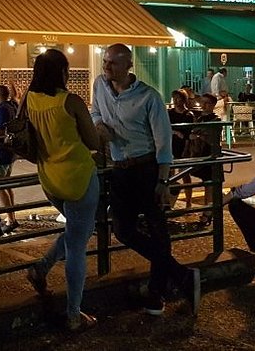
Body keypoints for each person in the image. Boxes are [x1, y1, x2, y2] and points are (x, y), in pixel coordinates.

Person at [91, 44, 200, 316]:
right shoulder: (100, 86)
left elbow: (164, 142)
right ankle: (181, 275)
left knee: (157, 230)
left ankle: (156, 293)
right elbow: (95, 112)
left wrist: (163, 181)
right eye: (105, 62)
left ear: (128, 66)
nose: (106, 68)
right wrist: (98, 125)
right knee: (123, 230)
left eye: (112, 63)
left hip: (146, 167)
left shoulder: (149, 97)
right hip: (120, 168)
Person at [23, 49, 100, 332]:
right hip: (78, 178)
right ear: (62, 73)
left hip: (49, 181)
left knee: (75, 232)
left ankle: (41, 268)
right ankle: (74, 314)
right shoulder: (71, 102)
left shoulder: (29, 99)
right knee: (78, 246)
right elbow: (93, 141)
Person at [0, 85, 20, 233]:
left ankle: (10, 218)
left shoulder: (1, 110)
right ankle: (12, 216)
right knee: (7, 184)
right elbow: (16, 97)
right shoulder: (12, 106)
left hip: (0, 153)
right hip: (10, 152)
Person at [168, 90, 196, 209]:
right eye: (174, 98)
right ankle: (169, 201)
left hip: (183, 146)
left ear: (184, 100)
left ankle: (188, 202)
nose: (176, 101)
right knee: (169, 174)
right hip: (170, 145)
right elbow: (165, 127)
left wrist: (181, 135)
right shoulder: (169, 113)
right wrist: (175, 132)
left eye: (178, 98)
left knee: (184, 173)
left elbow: (189, 133)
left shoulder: (188, 115)